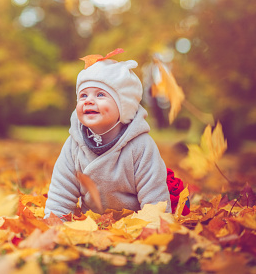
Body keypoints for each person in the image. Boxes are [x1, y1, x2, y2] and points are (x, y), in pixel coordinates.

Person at [44, 50, 173, 218]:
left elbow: (154, 193)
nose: (88, 100)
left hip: (133, 223)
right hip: (92, 223)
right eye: (83, 95)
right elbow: (61, 189)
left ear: (123, 105)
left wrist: (157, 224)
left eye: (100, 94)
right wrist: (54, 221)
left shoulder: (141, 146)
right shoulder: (74, 145)